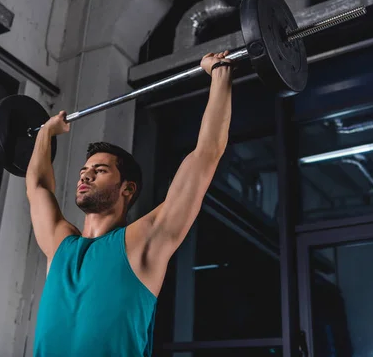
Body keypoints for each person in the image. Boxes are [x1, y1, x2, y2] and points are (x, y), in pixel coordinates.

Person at [27, 51, 233, 356]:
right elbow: (38, 185)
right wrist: (45, 132)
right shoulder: (60, 246)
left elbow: (205, 156)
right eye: (84, 171)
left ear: (127, 188)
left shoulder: (142, 242)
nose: (86, 177)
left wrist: (219, 75)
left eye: (100, 171)